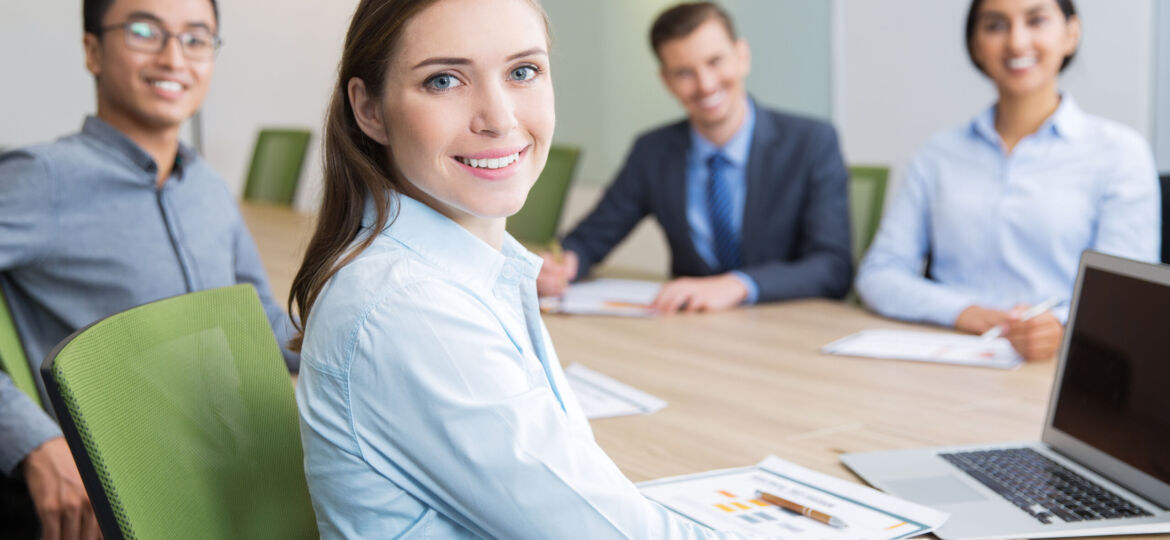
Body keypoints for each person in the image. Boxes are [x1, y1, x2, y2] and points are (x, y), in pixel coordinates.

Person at [291, 0, 759, 537]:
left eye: (522, 72)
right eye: (444, 80)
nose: (500, 118)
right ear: (369, 109)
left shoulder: (467, 272)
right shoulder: (410, 308)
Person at [0, 0, 298, 537]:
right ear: (93, 50)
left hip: (233, 474)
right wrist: (28, 439)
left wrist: (363, 340)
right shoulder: (42, 178)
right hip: (128, 495)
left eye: (196, 38)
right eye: (144, 31)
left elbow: (264, 326)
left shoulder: (207, 186)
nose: (174, 58)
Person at [855, 0, 1160, 361]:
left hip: (1063, 364)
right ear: (974, 45)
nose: (1016, 42)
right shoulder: (937, 155)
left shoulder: (1119, 153)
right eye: (995, 25)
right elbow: (880, 273)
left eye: (1036, 21)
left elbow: (1124, 296)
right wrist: (965, 311)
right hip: (950, 355)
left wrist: (1060, 327)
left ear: (1071, 34)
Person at [535, 2, 852, 313]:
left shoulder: (811, 143)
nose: (706, 84)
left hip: (789, 328)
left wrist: (737, 285)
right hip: (690, 331)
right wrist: (566, 262)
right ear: (667, 81)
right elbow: (592, 236)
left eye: (715, 61)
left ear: (742, 56)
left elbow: (833, 267)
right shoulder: (653, 152)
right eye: (684, 72)